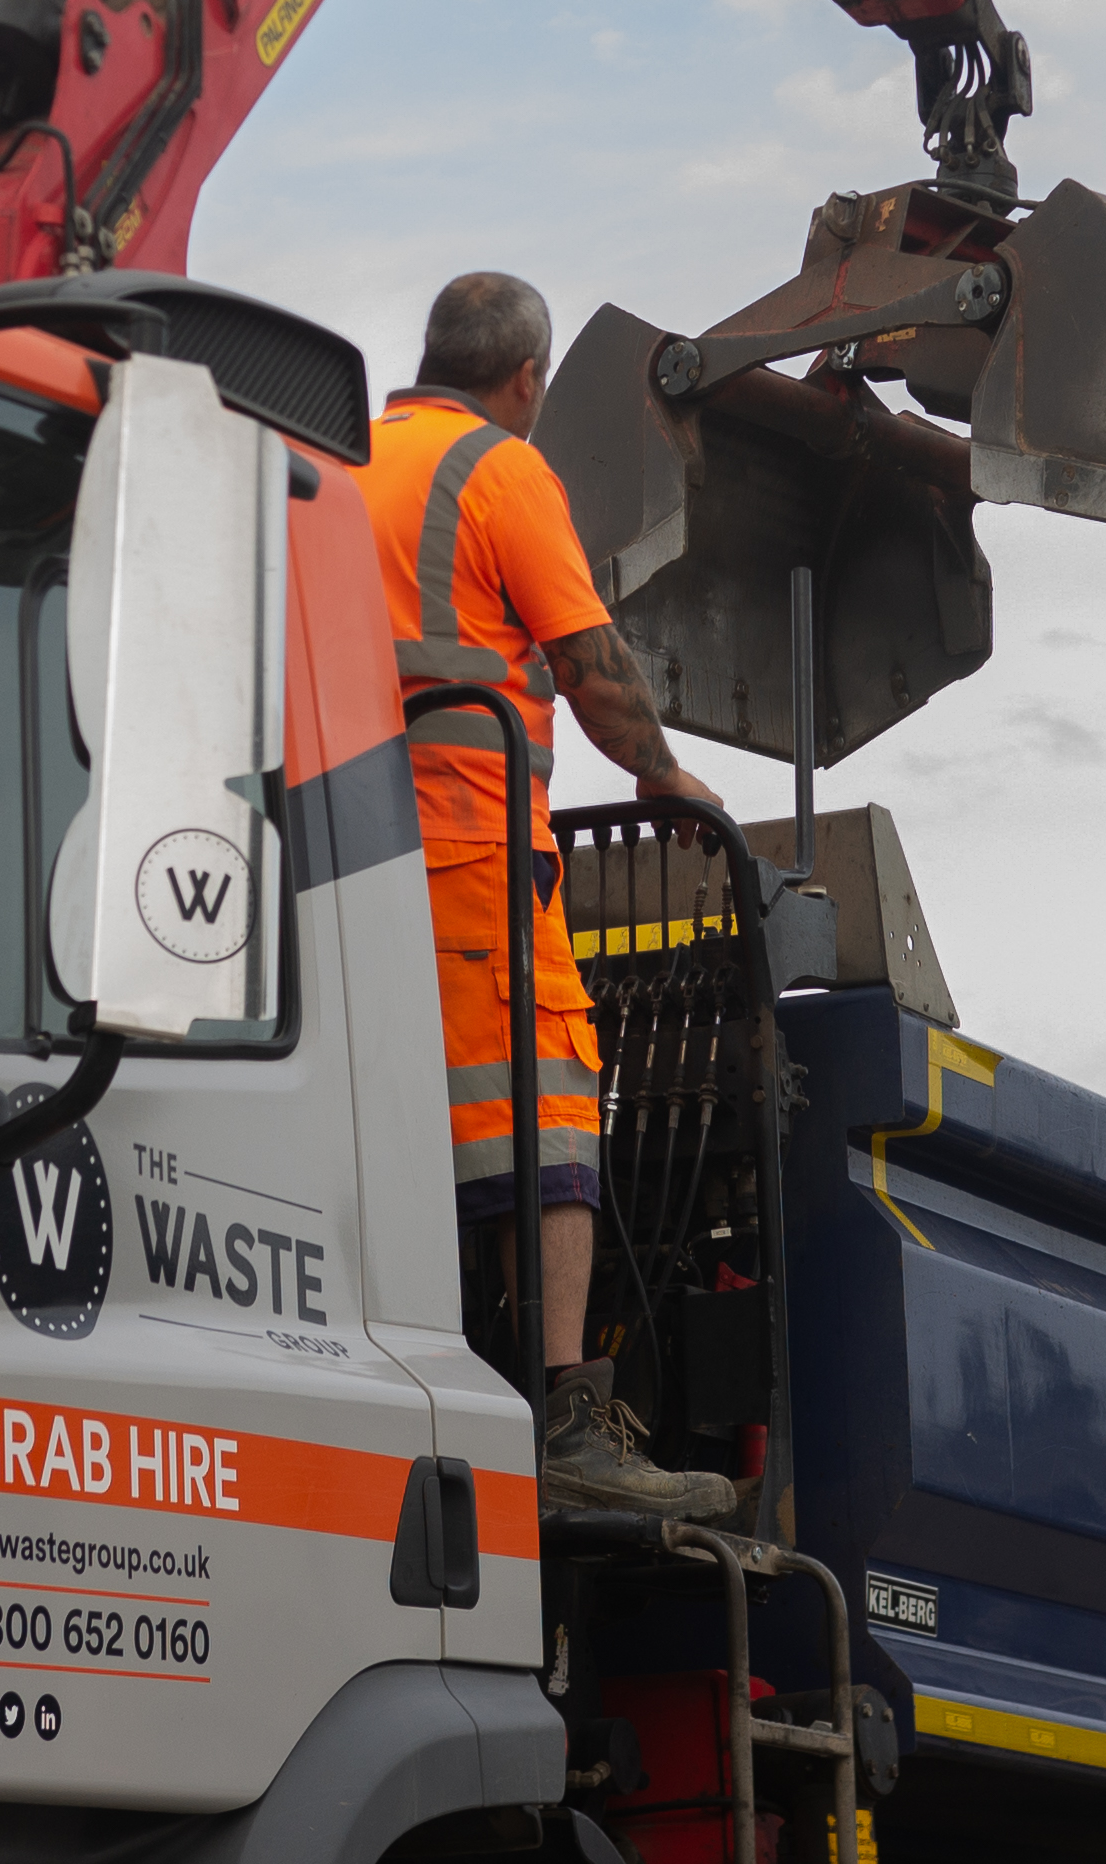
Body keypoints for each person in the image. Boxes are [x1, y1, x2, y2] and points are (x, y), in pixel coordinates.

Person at [360, 269, 736, 1521]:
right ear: (526, 379)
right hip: (466, 848)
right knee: (546, 1108)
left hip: (340, 861)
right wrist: (669, 777)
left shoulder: (333, 462)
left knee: (395, 1129)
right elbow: (591, 663)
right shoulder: (501, 471)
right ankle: (566, 1414)